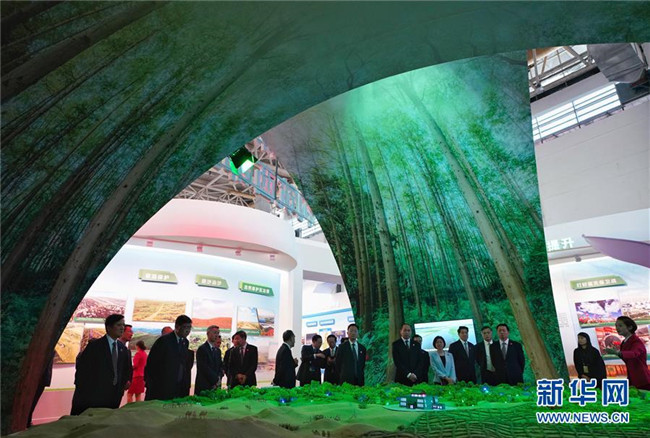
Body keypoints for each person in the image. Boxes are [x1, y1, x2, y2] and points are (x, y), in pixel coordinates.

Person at [71, 314, 132, 415]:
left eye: (123, 325)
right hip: (94, 398)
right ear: (109, 327)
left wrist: (123, 385)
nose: (122, 328)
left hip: (113, 398)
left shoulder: (123, 349)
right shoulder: (95, 346)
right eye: (118, 325)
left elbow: (126, 370)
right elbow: (83, 371)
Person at [144, 314, 192, 400]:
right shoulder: (164, 341)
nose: (188, 330)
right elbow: (152, 363)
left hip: (178, 387)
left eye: (189, 327)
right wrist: (151, 383)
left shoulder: (185, 342)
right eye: (185, 327)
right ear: (177, 327)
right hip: (162, 386)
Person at [606, 316, 650, 390]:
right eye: (616, 326)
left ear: (630, 327)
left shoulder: (636, 341)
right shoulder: (624, 342)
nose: (617, 328)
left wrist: (617, 353)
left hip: (642, 378)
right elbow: (626, 358)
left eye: (620, 326)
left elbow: (634, 353)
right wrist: (616, 352)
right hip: (632, 377)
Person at [27, 351, 54, 427]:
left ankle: (27, 422)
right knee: (29, 404)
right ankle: (27, 422)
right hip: (36, 379)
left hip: (40, 379)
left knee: (30, 405)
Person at [195, 325, 223, 395]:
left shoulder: (218, 350)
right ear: (208, 334)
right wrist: (215, 380)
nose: (216, 335)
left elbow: (220, 366)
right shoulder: (202, 349)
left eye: (218, 333)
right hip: (205, 385)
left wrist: (219, 378)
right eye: (215, 333)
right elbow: (204, 367)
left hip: (216, 386)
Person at [119, 324, 134, 393]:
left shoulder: (127, 350)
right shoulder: (114, 348)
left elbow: (129, 368)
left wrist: (128, 380)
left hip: (122, 387)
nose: (131, 334)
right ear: (122, 332)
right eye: (129, 331)